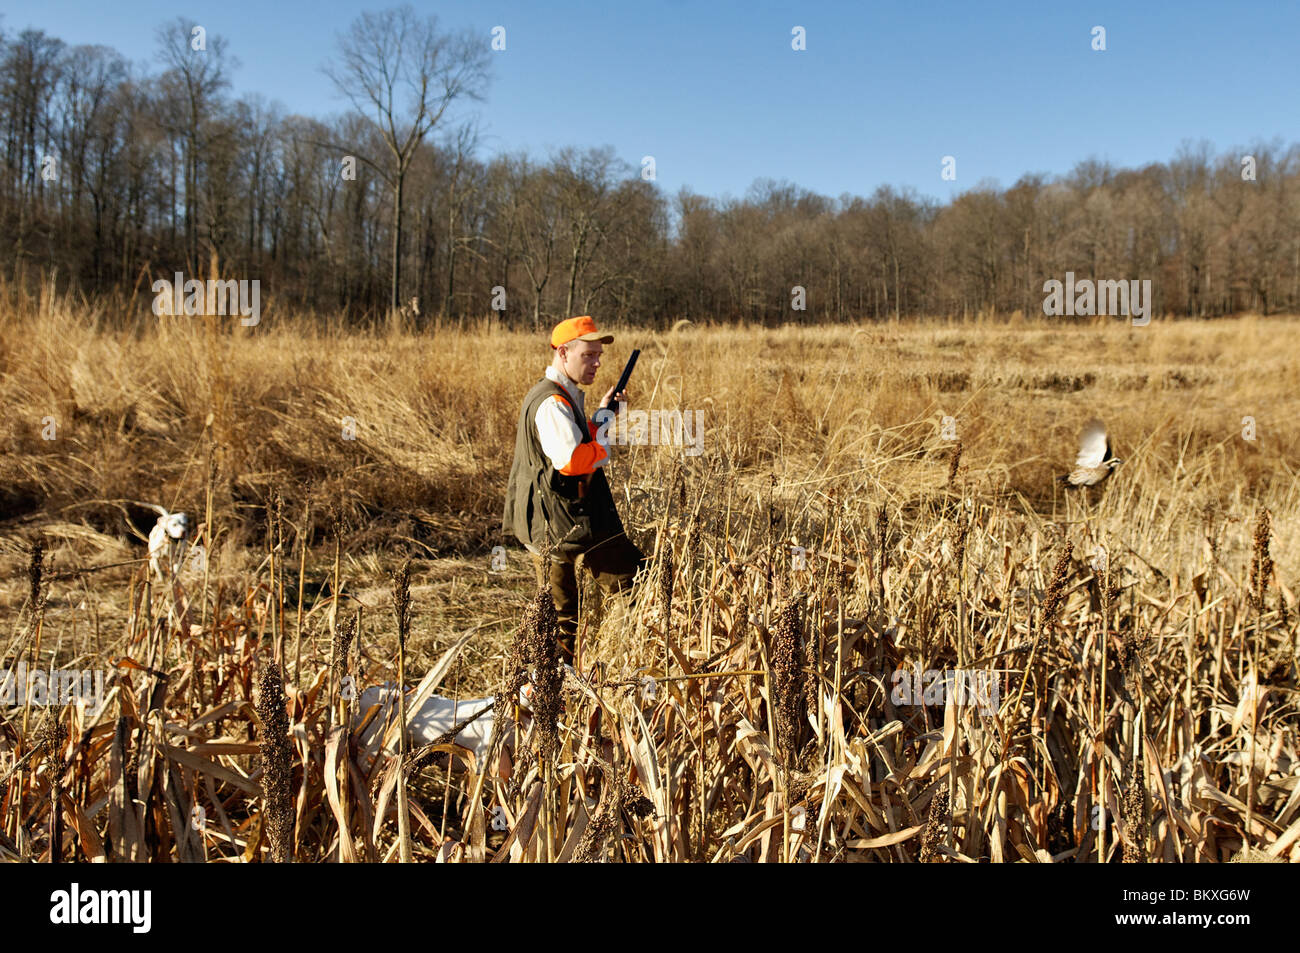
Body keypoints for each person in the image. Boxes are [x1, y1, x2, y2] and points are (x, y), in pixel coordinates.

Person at [502, 316, 647, 664]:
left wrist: (602, 415)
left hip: (558, 520)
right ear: (563, 353)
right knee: (575, 612)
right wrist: (605, 442)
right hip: (562, 525)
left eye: (599, 355)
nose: (597, 362)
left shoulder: (561, 396)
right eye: (589, 355)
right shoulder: (553, 403)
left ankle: (563, 684)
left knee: (562, 614)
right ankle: (556, 693)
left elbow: (574, 442)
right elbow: (572, 460)